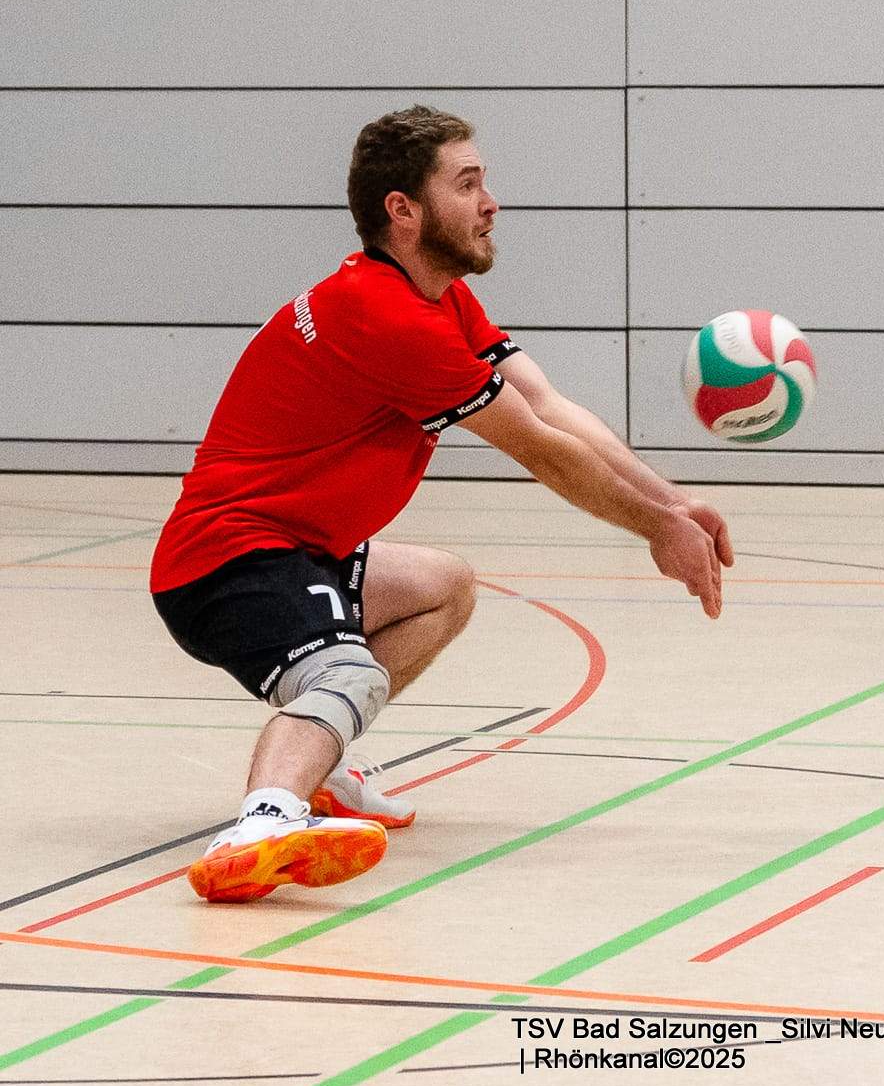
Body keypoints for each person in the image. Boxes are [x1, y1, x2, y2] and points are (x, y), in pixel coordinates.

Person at [150, 105, 734, 903]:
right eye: (467, 185)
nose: (490, 203)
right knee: (346, 672)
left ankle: (322, 768)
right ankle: (261, 823)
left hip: (295, 546)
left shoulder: (438, 301)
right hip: (226, 560)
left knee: (443, 586)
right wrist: (655, 529)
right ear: (404, 209)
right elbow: (536, 446)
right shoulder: (387, 317)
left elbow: (548, 407)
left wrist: (674, 503)